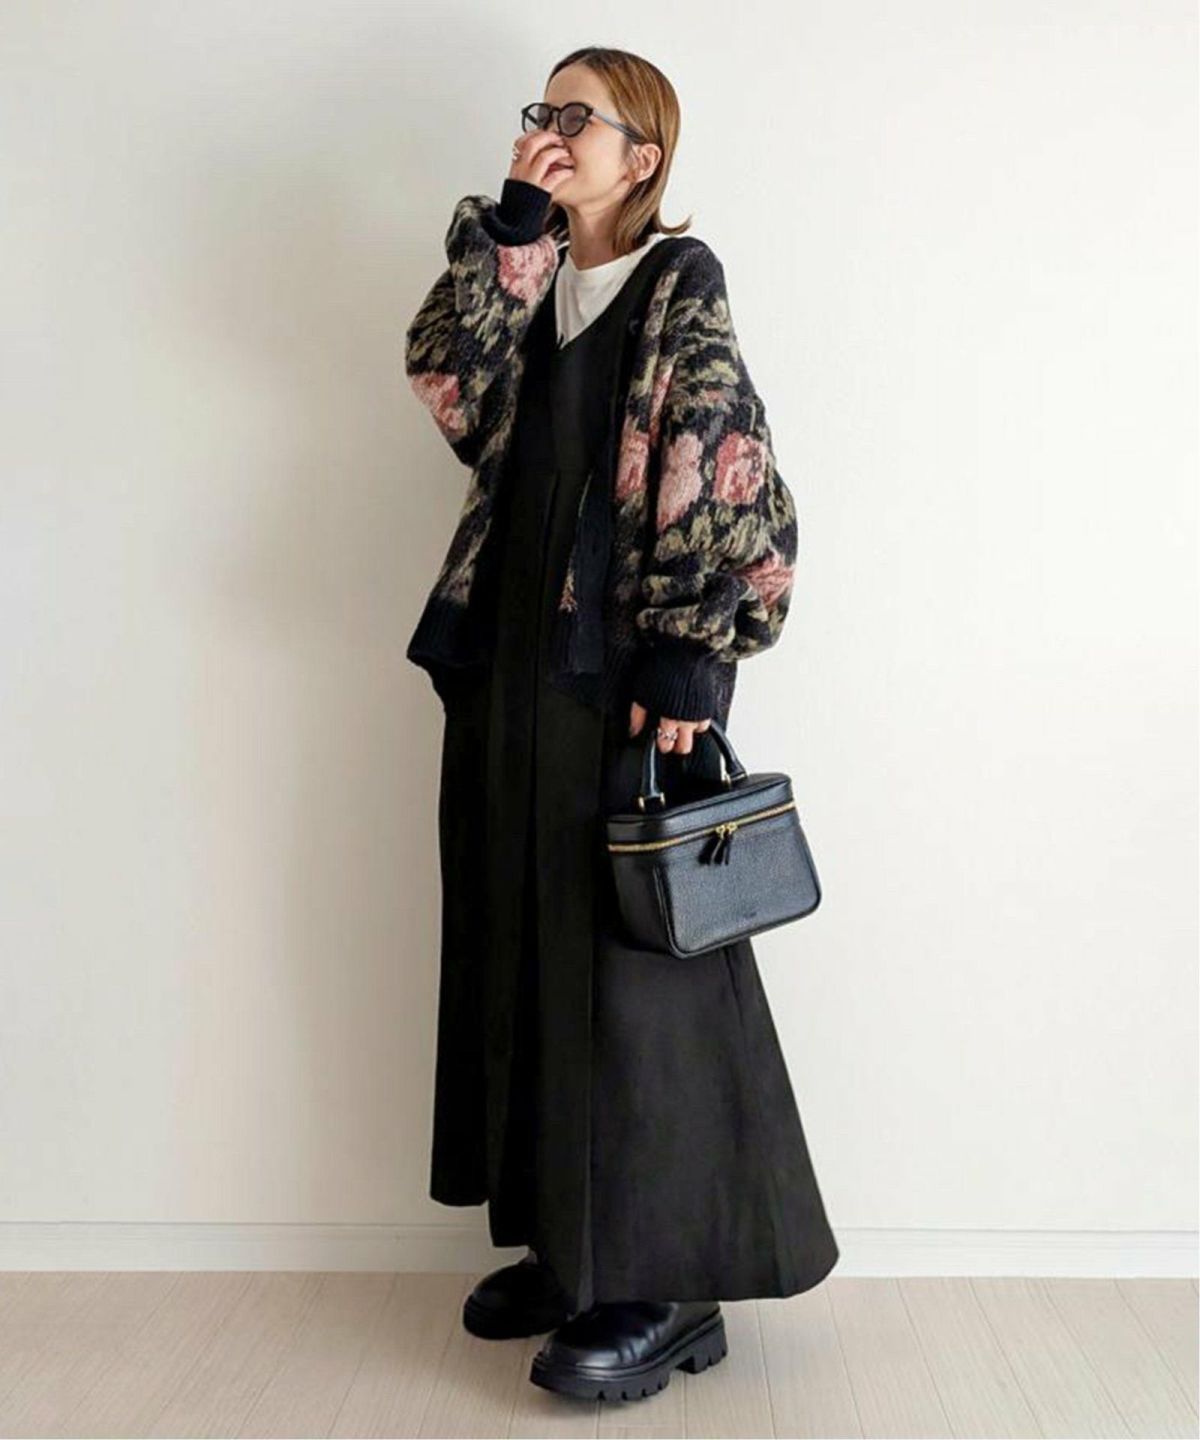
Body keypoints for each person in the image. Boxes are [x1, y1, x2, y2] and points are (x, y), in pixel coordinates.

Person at [404, 45, 839, 1404]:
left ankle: (664, 1283)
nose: (547, 130)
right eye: (539, 111)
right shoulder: (524, 270)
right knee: (525, 946)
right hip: (511, 664)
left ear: (641, 156)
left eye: (575, 117)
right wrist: (513, 233)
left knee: (637, 973)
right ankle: (570, 1241)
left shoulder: (675, 282)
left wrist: (692, 655)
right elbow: (452, 392)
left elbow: (728, 459)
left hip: (620, 674)